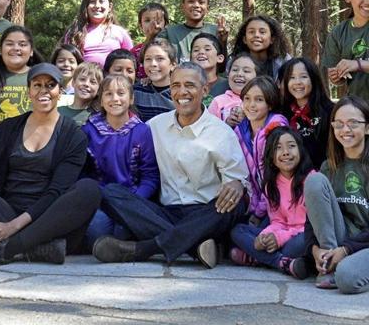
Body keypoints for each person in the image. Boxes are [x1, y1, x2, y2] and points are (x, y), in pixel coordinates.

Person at [92, 62, 249, 268]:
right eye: (175, 85)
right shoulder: (155, 126)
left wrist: (237, 184)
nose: (182, 91)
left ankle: (143, 249)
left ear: (205, 90)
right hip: (165, 211)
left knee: (236, 204)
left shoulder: (221, 133)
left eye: (190, 85)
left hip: (206, 214)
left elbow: (236, 183)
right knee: (111, 192)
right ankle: (195, 247)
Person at [0, 63, 101, 264]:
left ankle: (8, 249)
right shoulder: (9, 128)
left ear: (60, 92)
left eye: (50, 85)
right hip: (3, 215)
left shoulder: (73, 135)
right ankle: (37, 250)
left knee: (90, 189)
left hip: (48, 221)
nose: (44, 91)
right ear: (29, 91)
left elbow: (56, 192)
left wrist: (13, 227)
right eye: (37, 85)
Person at [82, 75, 158, 248]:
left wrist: (134, 201)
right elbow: (83, 174)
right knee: (96, 233)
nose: (115, 99)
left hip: (132, 198)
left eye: (121, 93)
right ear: (101, 100)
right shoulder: (89, 130)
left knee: (122, 234)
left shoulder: (142, 131)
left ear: (131, 98)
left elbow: (150, 176)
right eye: (108, 94)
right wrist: (98, 196)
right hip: (100, 199)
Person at [303, 96, 369, 293]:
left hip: (363, 244)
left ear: (367, 128)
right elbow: (311, 219)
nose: (345, 130)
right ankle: (328, 266)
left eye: (353, 123)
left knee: (347, 278)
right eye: (338, 124)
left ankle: (342, 268)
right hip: (339, 241)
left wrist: (347, 250)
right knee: (314, 181)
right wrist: (316, 250)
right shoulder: (329, 167)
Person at [230, 127, 313, 278]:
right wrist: (266, 236)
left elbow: (310, 226)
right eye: (278, 148)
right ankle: (281, 262)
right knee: (237, 230)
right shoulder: (271, 184)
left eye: (291, 146)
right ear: (271, 156)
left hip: (302, 236)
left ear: (301, 150)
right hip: (282, 234)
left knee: (295, 246)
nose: (286, 152)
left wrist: (279, 239)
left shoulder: (312, 180)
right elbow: (278, 221)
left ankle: (257, 257)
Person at [234, 76, 288, 223]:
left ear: (269, 104)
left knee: (245, 235)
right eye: (247, 98)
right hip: (257, 203)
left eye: (259, 100)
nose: (251, 105)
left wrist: (258, 212)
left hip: (280, 201)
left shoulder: (275, 128)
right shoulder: (240, 131)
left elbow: (274, 178)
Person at [322, 0, 369, 101]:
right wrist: (336, 77)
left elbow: (356, 65)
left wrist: (358, 64)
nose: (367, 1)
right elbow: (338, 81)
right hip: (358, 109)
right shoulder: (338, 33)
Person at [280, 57, 334, 170]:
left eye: (303, 77)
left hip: (323, 176)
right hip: (293, 177)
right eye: (292, 77)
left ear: (313, 79)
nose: (297, 82)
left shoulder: (330, 111)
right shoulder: (282, 114)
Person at [62, 0, 133, 66]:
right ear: (86, 6)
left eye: (101, 1)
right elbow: (66, 60)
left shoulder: (120, 33)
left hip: (113, 78)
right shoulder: (74, 33)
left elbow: (131, 60)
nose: (97, 6)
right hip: (84, 77)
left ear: (110, 7)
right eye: (92, 2)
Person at [158, 0, 228, 62]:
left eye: (201, 2)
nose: (196, 5)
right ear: (182, 7)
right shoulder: (170, 32)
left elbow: (222, 66)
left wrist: (222, 42)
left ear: (207, 8)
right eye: (191, 1)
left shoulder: (216, 31)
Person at [230, 15, 291, 80]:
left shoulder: (284, 61)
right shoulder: (234, 62)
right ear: (244, 39)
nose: (256, 35)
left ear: (272, 39)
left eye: (262, 32)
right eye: (251, 32)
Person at [208, 53, 258, 127]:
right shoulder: (218, 101)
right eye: (235, 70)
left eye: (246, 71)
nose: (239, 74)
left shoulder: (260, 101)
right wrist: (226, 125)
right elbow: (208, 130)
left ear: (257, 77)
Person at [133, 38, 175, 123]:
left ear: (173, 65)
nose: (153, 64)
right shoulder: (136, 92)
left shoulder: (178, 93)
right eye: (148, 59)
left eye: (160, 59)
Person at [130, 3, 169, 79]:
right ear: (141, 26)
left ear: (166, 24)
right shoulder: (135, 51)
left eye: (158, 20)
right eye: (147, 20)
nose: (153, 24)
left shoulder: (172, 47)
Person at [58, 62, 103, 126]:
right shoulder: (58, 111)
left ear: (99, 90)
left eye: (93, 82)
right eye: (82, 79)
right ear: (73, 83)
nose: (86, 84)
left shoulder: (98, 117)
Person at [190, 32, 228, 106]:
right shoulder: (185, 84)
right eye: (196, 50)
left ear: (219, 58)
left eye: (207, 49)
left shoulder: (228, 86)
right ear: (191, 58)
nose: (201, 52)